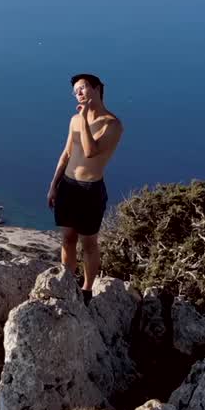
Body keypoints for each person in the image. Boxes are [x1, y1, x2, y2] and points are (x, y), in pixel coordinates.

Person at [47, 73, 123, 301]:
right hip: (68, 185)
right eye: (75, 91)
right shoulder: (74, 120)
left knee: (89, 243)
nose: (78, 93)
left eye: (82, 88)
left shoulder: (112, 124)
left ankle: (87, 289)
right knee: (67, 238)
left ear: (97, 88)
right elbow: (67, 154)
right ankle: (67, 282)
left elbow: (90, 151)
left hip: (90, 190)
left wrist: (83, 119)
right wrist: (53, 185)